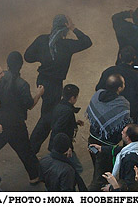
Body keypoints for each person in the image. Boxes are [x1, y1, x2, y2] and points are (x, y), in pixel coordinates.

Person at [24, 14, 92, 154]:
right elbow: (87, 42)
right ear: (65, 28)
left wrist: (44, 58)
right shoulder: (67, 45)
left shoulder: (42, 40)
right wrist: (73, 28)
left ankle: (36, 147)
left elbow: (28, 56)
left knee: (49, 113)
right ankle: (35, 149)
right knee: (48, 116)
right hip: (54, 85)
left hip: (42, 80)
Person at [0, 51, 43, 185]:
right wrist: (38, 94)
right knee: (25, 151)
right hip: (16, 125)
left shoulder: (0, 78)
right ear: (21, 65)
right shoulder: (22, 84)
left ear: (7, 64)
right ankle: (34, 177)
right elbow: (30, 105)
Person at [86, 73, 132, 191]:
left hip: (92, 140)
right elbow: (125, 125)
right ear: (119, 88)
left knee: (96, 164)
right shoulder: (122, 104)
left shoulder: (97, 94)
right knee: (105, 174)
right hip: (108, 146)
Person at [113, 7, 138, 135]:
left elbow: (115, 18)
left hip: (121, 70)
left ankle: (117, 128)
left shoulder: (124, 28)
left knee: (120, 100)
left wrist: (127, 13)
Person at [96, 46, 138, 134]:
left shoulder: (108, 71)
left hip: (109, 112)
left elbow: (98, 89)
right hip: (129, 116)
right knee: (128, 139)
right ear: (134, 58)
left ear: (120, 56)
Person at [91, 124, 138, 192]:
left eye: (123, 132)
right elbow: (122, 149)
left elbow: (130, 185)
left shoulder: (130, 160)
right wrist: (101, 148)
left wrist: (112, 188)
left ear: (127, 138)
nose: (121, 132)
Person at [48, 84, 83, 174]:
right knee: (78, 168)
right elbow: (59, 128)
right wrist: (67, 147)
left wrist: (74, 123)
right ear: (72, 98)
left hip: (56, 144)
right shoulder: (68, 112)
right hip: (63, 145)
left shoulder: (59, 105)